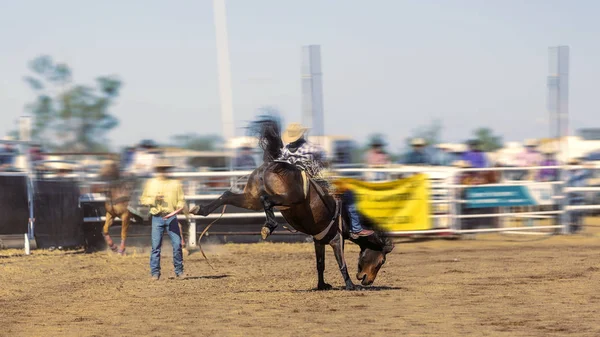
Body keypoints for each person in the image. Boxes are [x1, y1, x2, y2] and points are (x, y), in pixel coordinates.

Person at [139, 158, 186, 280]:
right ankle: (155, 273)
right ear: (157, 170)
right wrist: (155, 198)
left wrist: (180, 205)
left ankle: (179, 271)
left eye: (164, 169)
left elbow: (181, 199)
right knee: (156, 247)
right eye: (161, 169)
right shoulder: (151, 184)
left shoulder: (175, 184)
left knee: (177, 245)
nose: (163, 171)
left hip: (171, 216)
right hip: (157, 217)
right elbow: (143, 200)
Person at [566, 158, 593, 234]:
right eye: (572, 164)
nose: (573, 166)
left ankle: (579, 228)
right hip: (571, 195)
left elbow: (590, 168)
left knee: (580, 212)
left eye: (575, 164)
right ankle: (573, 228)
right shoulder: (568, 173)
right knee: (572, 213)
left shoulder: (583, 171)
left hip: (580, 195)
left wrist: (587, 165)